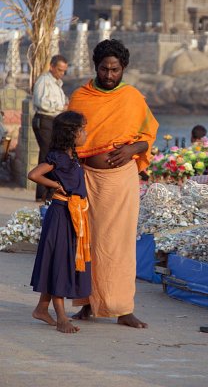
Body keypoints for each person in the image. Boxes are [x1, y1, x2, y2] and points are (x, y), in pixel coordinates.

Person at [68, 39, 158, 328]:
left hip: (120, 182)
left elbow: (148, 135)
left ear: (124, 69)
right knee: (85, 240)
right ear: (95, 67)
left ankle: (122, 309)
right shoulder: (80, 97)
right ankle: (86, 303)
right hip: (86, 179)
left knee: (118, 244)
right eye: (104, 69)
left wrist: (132, 150)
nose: (109, 75)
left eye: (115, 70)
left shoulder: (132, 98)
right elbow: (67, 137)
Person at [28, 111, 91, 333]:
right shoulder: (59, 157)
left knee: (59, 259)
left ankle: (42, 309)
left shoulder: (70, 156)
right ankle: (61, 316)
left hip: (72, 214)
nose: (85, 133)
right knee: (60, 263)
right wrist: (54, 186)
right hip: (61, 214)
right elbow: (34, 174)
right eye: (82, 130)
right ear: (70, 133)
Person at [32, 54, 69, 202]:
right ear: (52, 67)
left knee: (51, 155)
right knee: (47, 156)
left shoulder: (57, 83)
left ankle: (47, 193)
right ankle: (42, 194)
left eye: (64, 71)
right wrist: (61, 107)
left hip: (54, 122)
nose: (62, 73)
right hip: (44, 120)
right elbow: (41, 102)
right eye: (59, 70)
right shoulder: (44, 81)